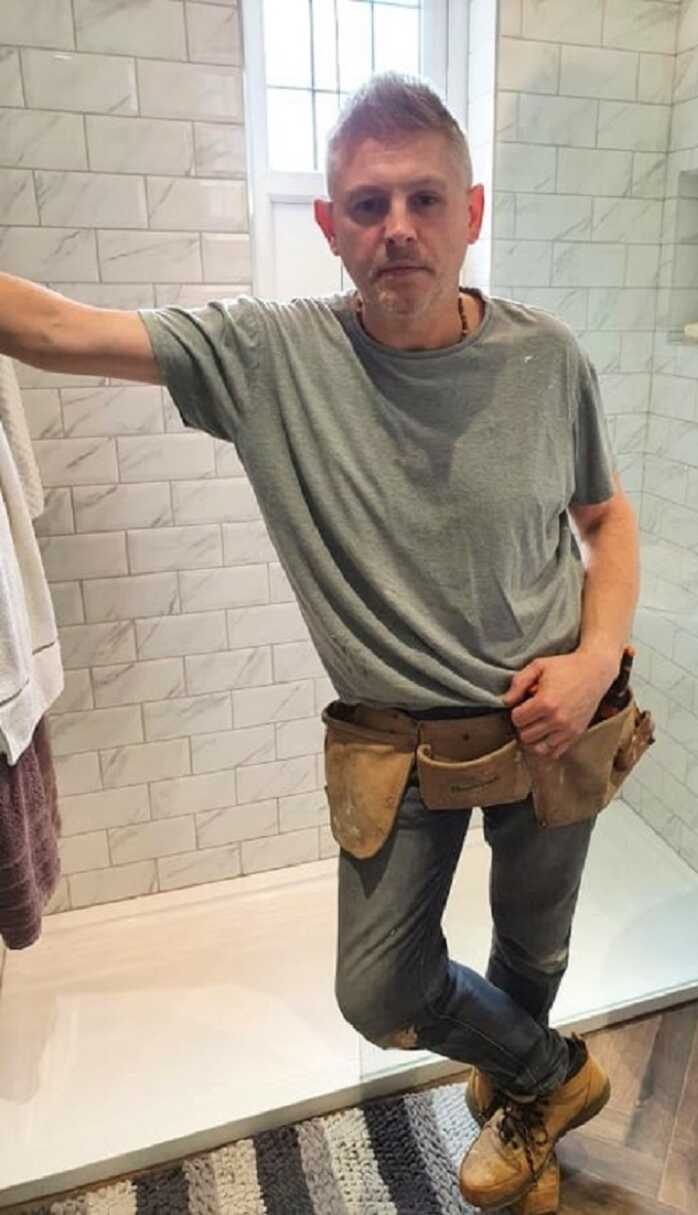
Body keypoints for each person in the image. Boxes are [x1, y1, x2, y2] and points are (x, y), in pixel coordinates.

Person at [2, 73, 641, 1213]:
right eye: (367, 203)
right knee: (378, 984)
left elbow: (607, 517)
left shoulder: (550, 359)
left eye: (425, 199)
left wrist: (596, 661)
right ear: (329, 224)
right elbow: (54, 328)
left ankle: (525, 1123)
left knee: (531, 950)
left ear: (472, 213)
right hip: (399, 745)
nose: (397, 226)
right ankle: (551, 1078)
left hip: (559, 719)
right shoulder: (268, 358)